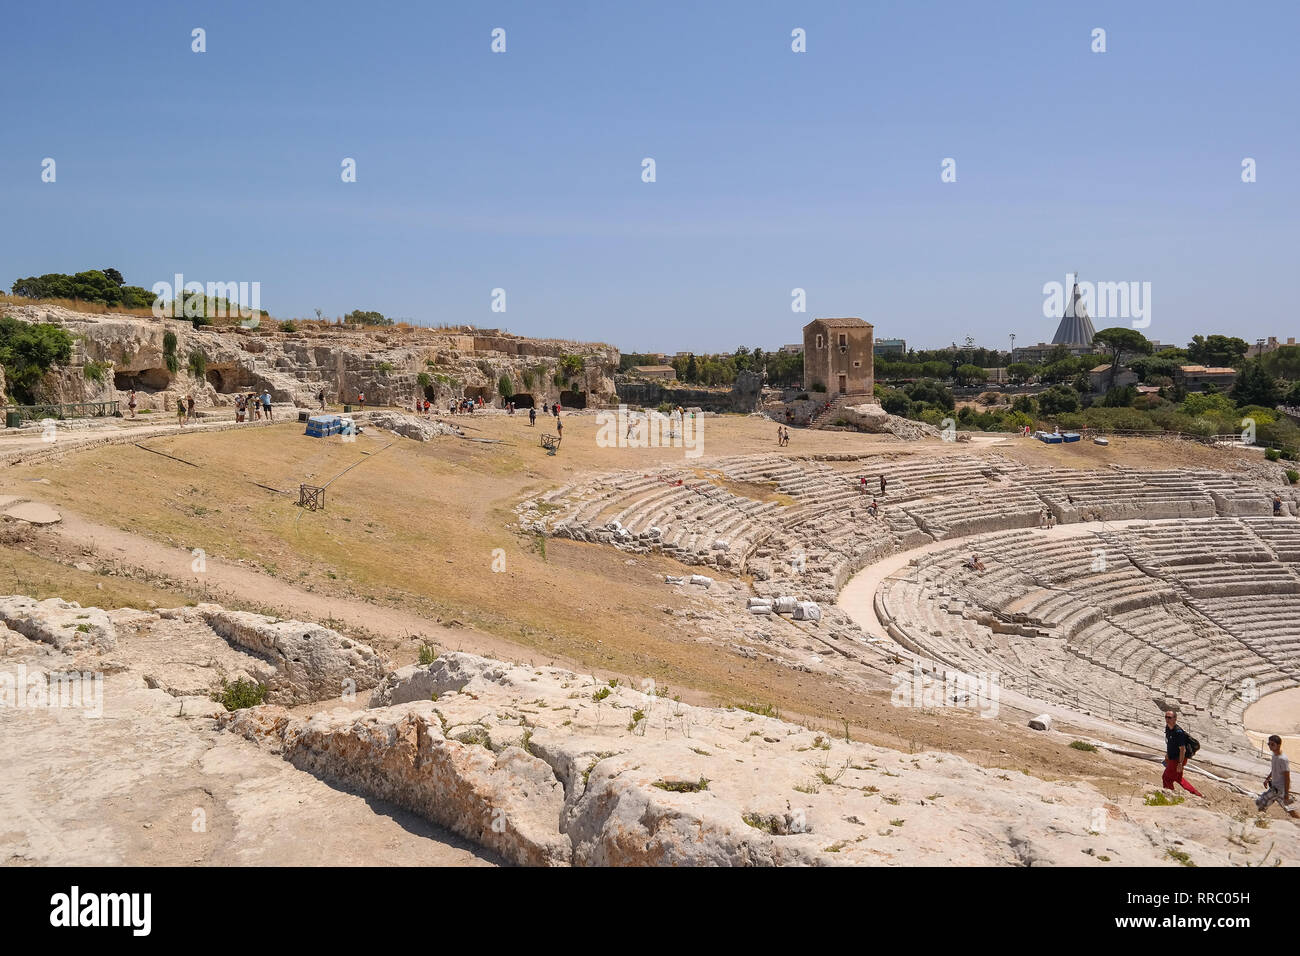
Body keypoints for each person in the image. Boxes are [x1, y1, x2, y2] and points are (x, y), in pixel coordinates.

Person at [1256, 735, 1300, 818]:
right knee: (1290, 810)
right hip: (1276, 787)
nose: (1270, 746)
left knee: (1261, 802)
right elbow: (1274, 769)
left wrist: (1286, 794)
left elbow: (1287, 778)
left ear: (1278, 745)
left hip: (1279, 789)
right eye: (1269, 744)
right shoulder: (1274, 755)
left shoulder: (1283, 759)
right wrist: (1267, 779)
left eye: (1272, 744)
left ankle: (1261, 821)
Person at [1162, 711, 1203, 797]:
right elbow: (1169, 743)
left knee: (1166, 777)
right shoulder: (1168, 728)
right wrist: (1167, 754)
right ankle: (1197, 794)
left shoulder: (1178, 732)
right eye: (1166, 717)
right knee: (1178, 778)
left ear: (1175, 719)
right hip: (1172, 757)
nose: (1167, 719)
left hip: (1178, 759)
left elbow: (1182, 749)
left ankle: (1169, 794)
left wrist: (1180, 763)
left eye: (1169, 717)